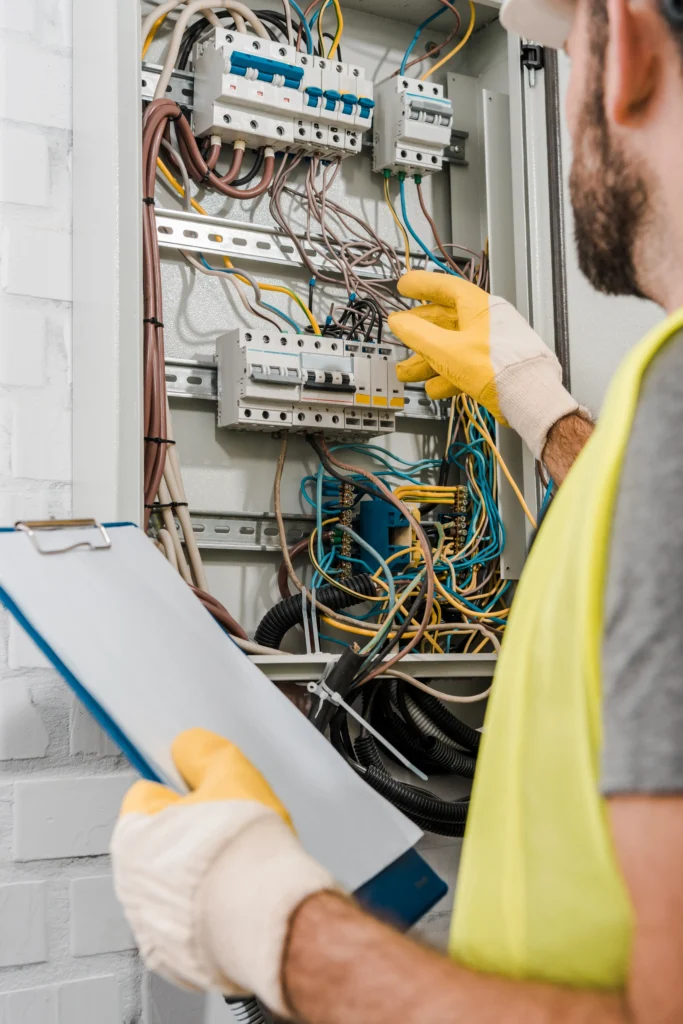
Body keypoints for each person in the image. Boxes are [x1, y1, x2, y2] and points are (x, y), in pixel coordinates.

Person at [111, 0, 683, 1019]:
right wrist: (540, 406)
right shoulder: (658, 392)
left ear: (625, 47)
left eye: (567, 49)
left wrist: (284, 929)